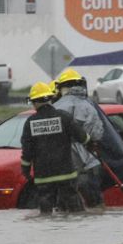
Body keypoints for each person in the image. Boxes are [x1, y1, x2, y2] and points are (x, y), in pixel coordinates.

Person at [20, 81, 90, 215]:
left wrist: (26, 170)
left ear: (34, 102)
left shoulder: (30, 123)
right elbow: (83, 137)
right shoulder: (63, 117)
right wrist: (92, 142)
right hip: (66, 173)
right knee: (74, 207)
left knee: (45, 210)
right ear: (50, 99)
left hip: (43, 175)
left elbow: (27, 151)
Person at [53, 68, 106, 208]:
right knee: (96, 208)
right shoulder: (89, 107)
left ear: (62, 87)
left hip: (64, 167)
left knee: (65, 209)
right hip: (89, 164)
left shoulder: (55, 107)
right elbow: (97, 134)